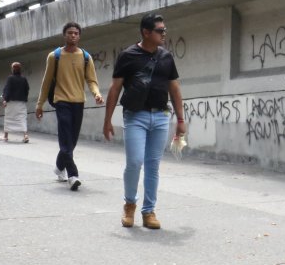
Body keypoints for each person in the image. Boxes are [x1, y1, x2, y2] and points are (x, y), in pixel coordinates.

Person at [102, 14, 185, 230]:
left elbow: (174, 88)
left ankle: (149, 211)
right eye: (160, 30)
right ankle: (129, 205)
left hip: (161, 116)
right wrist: (107, 120)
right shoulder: (128, 55)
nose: (164, 34)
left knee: (152, 166)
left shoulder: (166, 57)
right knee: (135, 162)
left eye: (164, 30)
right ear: (146, 32)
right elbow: (115, 88)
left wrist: (181, 119)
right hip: (135, 116)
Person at [35, 22, 102, 191]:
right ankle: (73, 175)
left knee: (71, 141)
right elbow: (46, 82)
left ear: (79, 36)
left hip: (78, 102)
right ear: (64, 35)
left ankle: (59, 167)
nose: (73, 35)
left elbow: (91, 80)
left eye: (76, 33)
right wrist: (39, 104)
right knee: (65, 138)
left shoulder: (86, 57)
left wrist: (96, 93)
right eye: (70, 33)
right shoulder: (54, 56)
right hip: (61, 101)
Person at [0, 62, 31, 143]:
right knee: (22, 118)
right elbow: (27, 89)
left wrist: (5, 99)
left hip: (11, 102)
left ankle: (6, 136)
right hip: (21, 103)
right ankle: (25, 135)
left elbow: (7, 89)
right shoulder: (24, 79)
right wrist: (24, 98)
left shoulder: (10, 78)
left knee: (8, 118)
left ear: (12, 69)